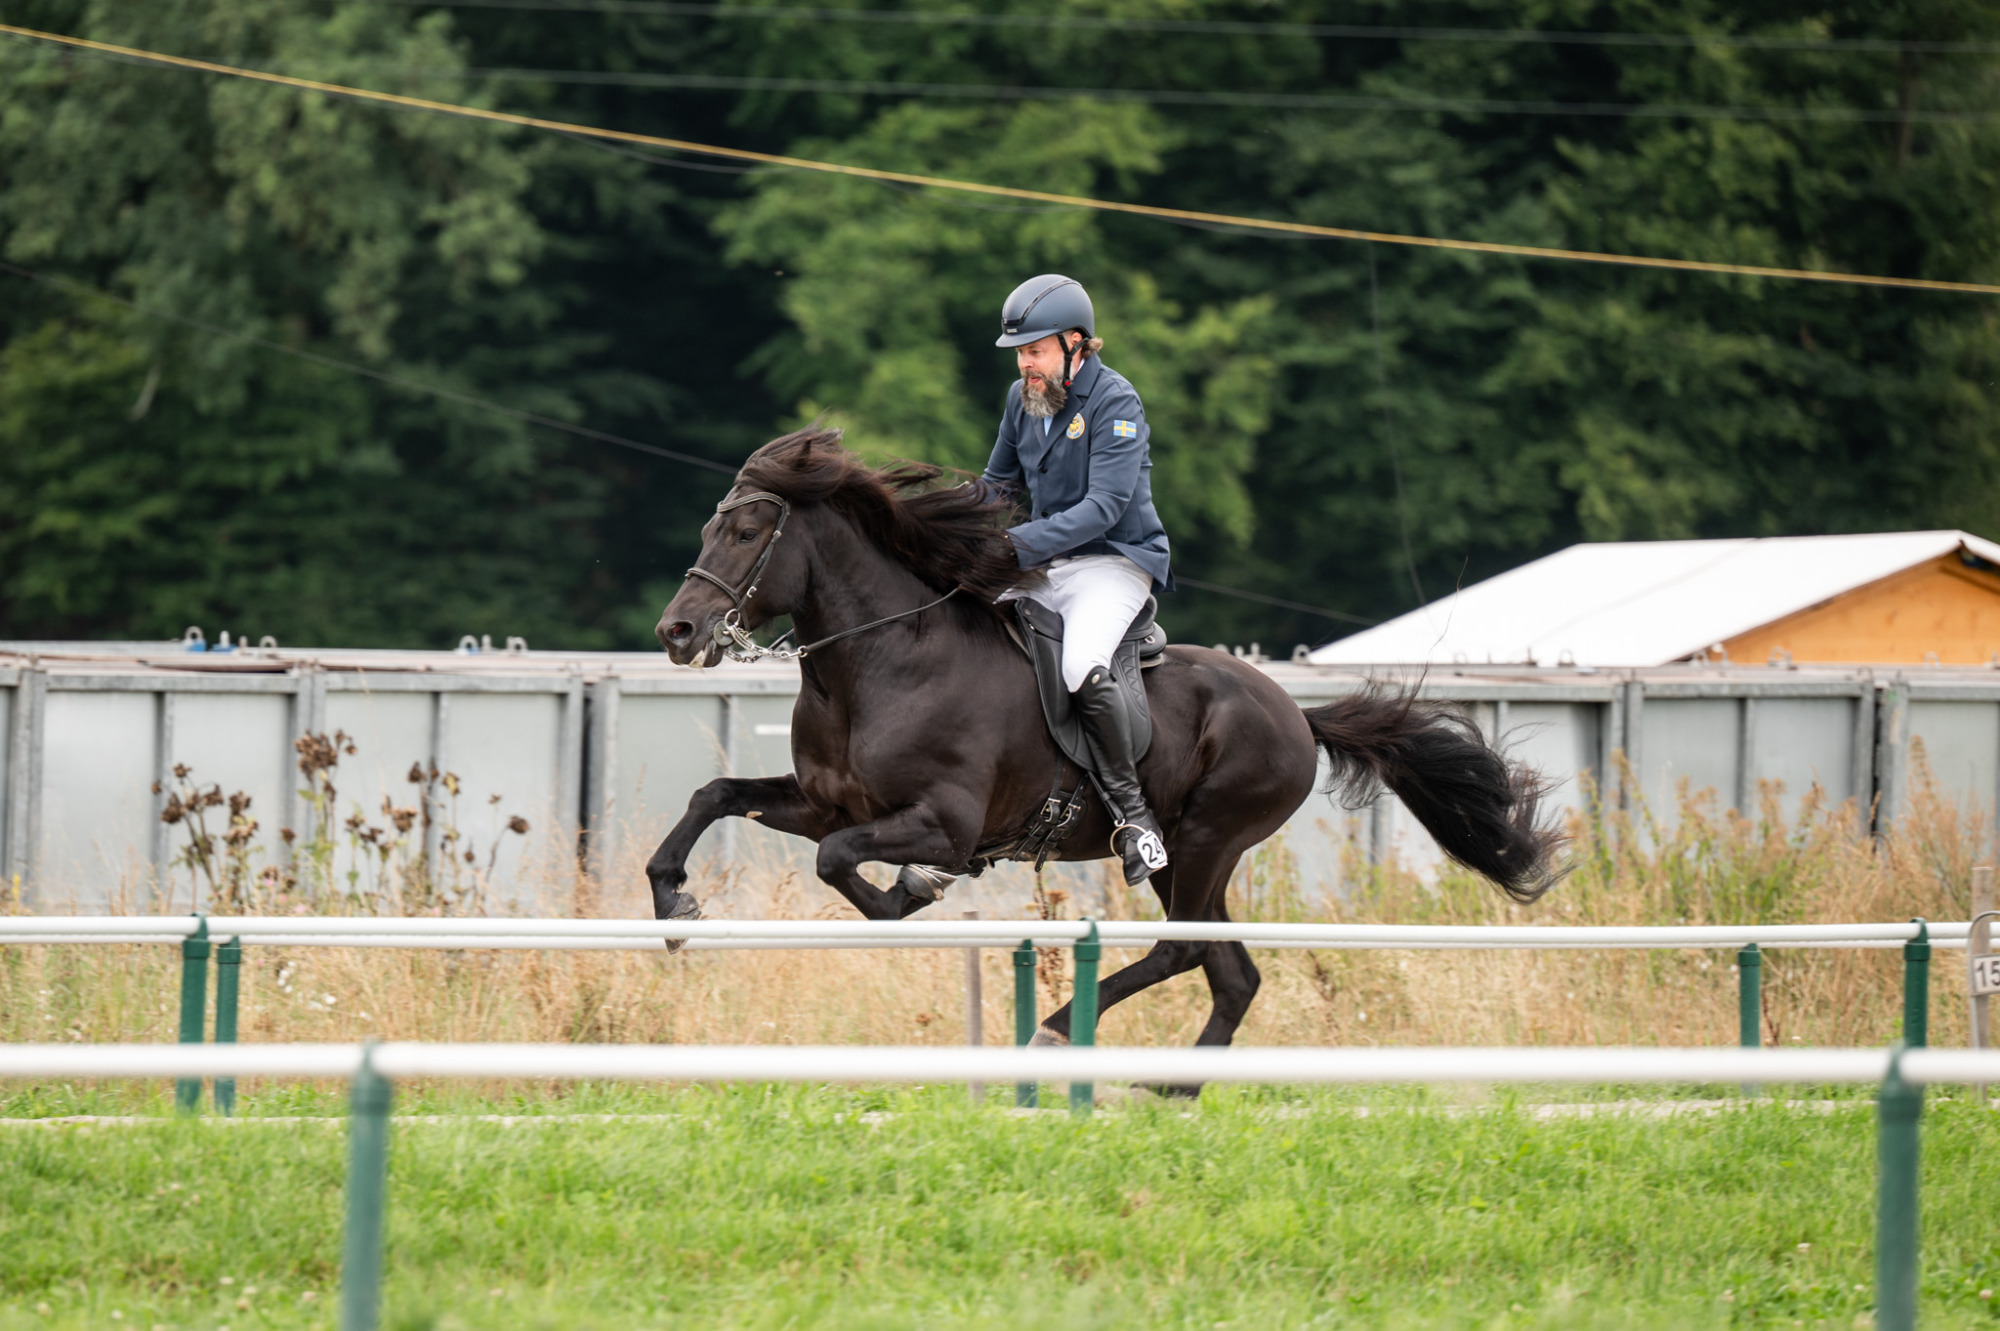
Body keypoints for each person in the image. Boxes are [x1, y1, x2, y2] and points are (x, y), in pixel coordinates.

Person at [983, 274, 1173, 886]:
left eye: (1035, 350)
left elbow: (1105, 507)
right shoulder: (1022, 399)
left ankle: (1134, 816)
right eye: (1020, 353)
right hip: (1046, 566)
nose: (1025, 364)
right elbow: (999, 487)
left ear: (1074, 343)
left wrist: (1015, 545)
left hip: (1115, 563)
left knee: (1078, 666)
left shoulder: (1116, 401)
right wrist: (938, 521)